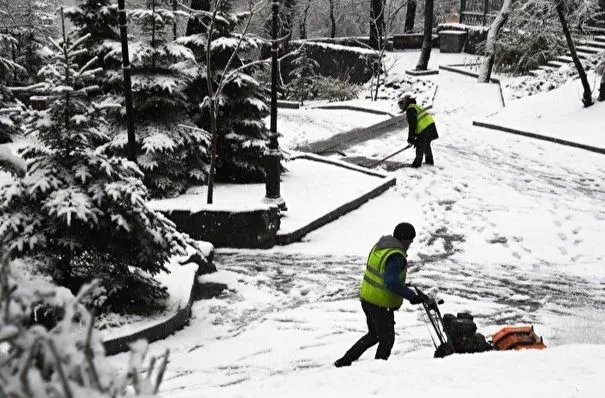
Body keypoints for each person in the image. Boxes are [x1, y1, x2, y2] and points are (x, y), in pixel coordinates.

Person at [334, 222, 426, 367]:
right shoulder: (396, 256)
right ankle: (378, 370)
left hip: (368, 298)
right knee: (387, 339)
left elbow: (382, 274)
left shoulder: (382, 247)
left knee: (374, 335)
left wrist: (404, 287)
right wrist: (411, 296)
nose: (411, 243)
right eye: (410, 240)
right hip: (380, 304)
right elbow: (390, 281)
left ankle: (345, 360)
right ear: (404, 239)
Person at [398, 95, 439, 168]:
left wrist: (411, 139)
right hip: (431, 126)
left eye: (400, 105)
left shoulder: (410, 109)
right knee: (426, 144)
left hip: (425, 128)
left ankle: (416, 165)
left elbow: (412, 125)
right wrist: (414, 137)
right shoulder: (415, 106)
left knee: (419, 146)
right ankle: (429, 161)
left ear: (403, 103)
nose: (400, 107)